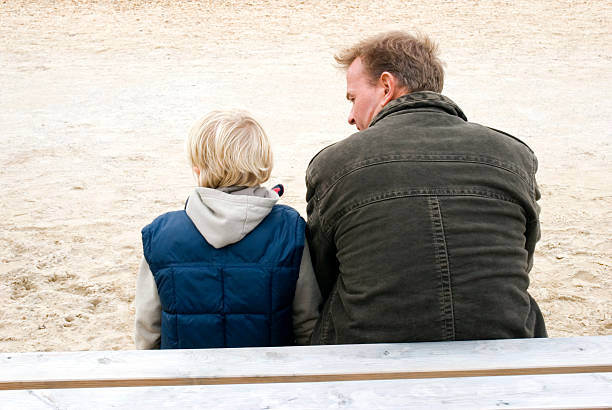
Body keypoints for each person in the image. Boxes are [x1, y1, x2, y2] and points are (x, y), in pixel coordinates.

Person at [305, 31, 547, 344]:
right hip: (501, 342)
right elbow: (522, 257)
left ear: (386, 87)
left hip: (371, 352)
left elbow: (323, 274)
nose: (351, 116)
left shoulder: (334, 164)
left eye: (353, 98)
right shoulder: (513, 155)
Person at [135, 110, 321, 349]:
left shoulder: (161, 234)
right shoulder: (289, 229)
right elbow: (307, 320)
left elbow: (148, 329)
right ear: (261, 162)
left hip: (188, 382)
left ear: (198, 167)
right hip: (270, 380)